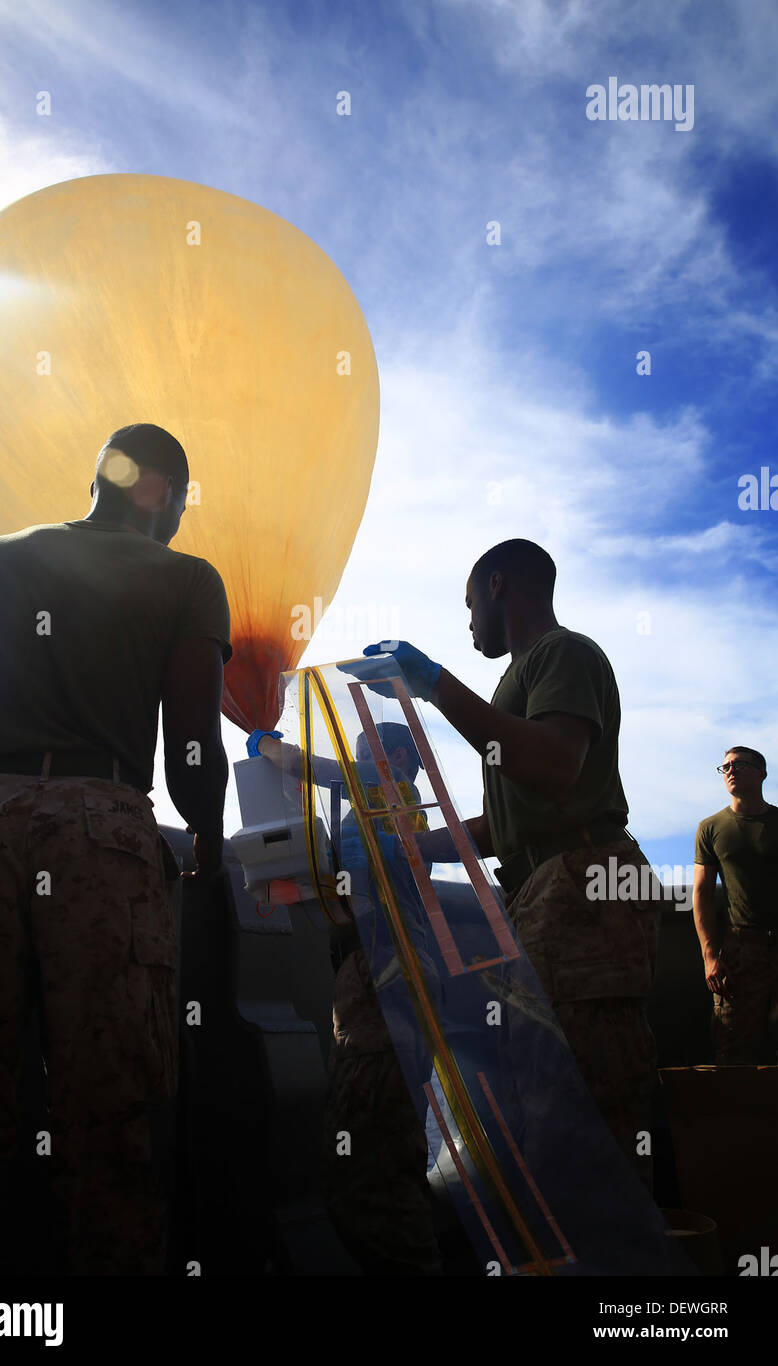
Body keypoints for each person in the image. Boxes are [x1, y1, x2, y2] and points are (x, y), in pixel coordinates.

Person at [0, 422, 231, 1274]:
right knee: (111, 1120)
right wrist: (204, 835)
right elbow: (192, 740)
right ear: (159, 489)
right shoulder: (186, 578)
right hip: (100, 832)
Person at [358, 538, 659, 1186]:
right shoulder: (518, 681)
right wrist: (414, 848)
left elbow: (552, 766)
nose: (468, 624)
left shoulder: (562, 653)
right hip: (546, 888)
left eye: (469, 605)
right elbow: (509, 823)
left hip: (583, 887)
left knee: (586, 1104)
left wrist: (438, 686)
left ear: (498, 586)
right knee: (545, 1094)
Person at [248, 721, 444, 1275]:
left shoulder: (381, 788)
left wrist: (261, 743)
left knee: (367, 1181)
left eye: (364, 753)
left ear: (397, 756)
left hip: (383, 976)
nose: (354, 764)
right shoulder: (392, 810)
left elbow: (305, 767)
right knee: (390, 1157)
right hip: (394, 971)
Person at [693, 746, 778, 1063]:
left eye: (739, 764)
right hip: (742, 950)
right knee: (734, 1050)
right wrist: (709, 955)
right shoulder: (711, 828)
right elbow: (700, 893)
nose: (730, 770)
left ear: (761, 773)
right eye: (725, 767)